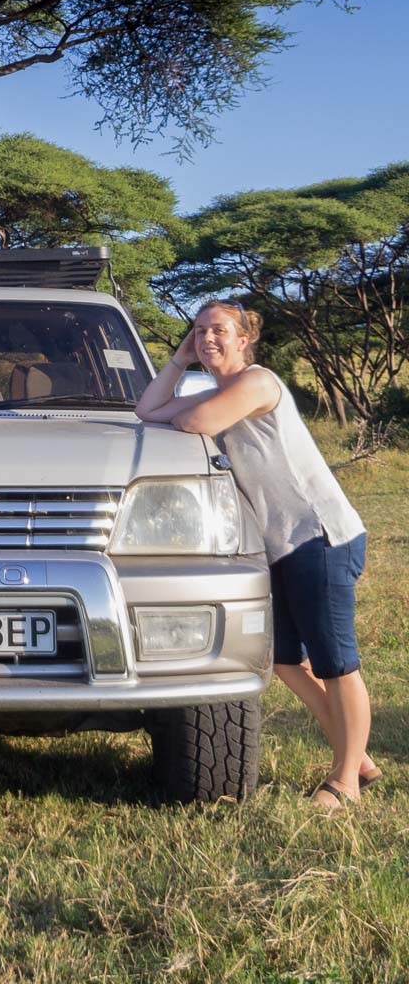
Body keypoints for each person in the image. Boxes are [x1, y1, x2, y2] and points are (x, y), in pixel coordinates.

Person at [135, 299, 380, 811]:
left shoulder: (257, 383)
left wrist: (185, 403)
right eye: (199, 331)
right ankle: (355, 754)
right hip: (281, 543)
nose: (208, 339)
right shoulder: (215, 387)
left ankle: (344, 782)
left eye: (219, 330)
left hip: (318, 535)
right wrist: (179, 362)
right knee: (287, 661)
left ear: (245, 339)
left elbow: (194, 421)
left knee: (337, 664)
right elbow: (145, 411)